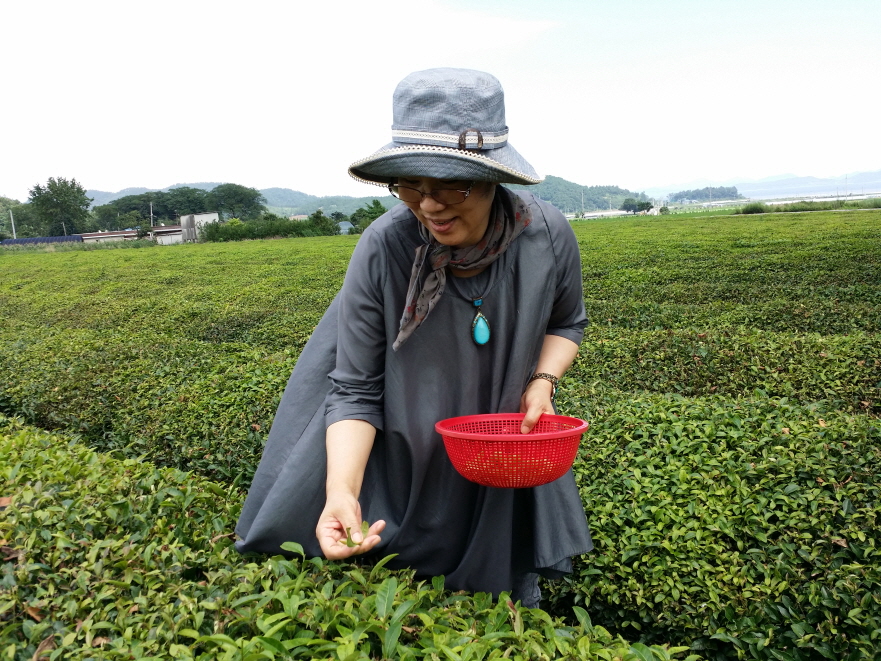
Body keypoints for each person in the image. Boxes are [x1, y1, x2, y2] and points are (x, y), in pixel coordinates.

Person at [235, 68, 592, 607]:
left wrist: (542, 382)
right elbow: (354, 388)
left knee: (505, 600)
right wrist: (341, 494)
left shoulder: (546, 234)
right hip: (406, 457)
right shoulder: (385, 247)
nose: (428, 206)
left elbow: (567, 322)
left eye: (452, 184)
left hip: (499, 447)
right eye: (410, 185)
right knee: (409, 585)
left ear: (495, 180)